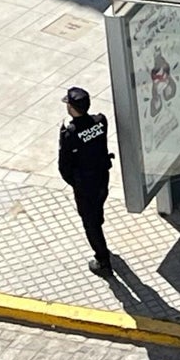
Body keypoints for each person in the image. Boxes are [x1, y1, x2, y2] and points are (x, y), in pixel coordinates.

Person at [58, 87, 114, 274]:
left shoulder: (70, 133)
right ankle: (99, 231)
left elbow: (64, 166)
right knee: (97, 210)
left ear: (72, 108)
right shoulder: (101, 121)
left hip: (85, 184)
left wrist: (75, 182)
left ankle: (102, 261)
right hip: (102, 178)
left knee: (90, 223)